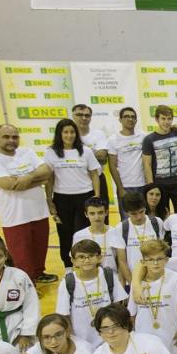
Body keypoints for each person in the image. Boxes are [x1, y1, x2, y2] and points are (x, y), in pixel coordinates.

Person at [0, 124, 55, 284]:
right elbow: (8, 185)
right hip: (15, 216)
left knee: (39, 248)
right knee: (21, 255)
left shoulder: (26, 152)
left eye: (15, 137)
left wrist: (27, 178)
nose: (11, 140)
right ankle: (25, 284)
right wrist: (37, 180)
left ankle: (38, 273)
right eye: (6, 137)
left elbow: (46, 171)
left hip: (38, 211)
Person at [45, 118, 101, 269]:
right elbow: (49, 179)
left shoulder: (85, 151)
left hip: (84, 196)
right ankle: (68, 265)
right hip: (62, 198)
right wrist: (49, 201)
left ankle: (86, 262)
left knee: (83, 232)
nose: (69, 135)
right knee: (65, 233)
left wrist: (96, 196)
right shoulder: (51, 153)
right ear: (60, 134)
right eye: (66, 132)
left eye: (72, 132)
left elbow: (94, 174)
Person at [55, 239, 127, 348]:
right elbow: (64, 315)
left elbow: (117, 305)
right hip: (81, 340)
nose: (87, 260)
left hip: (109, 337)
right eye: (81, 257)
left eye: (91, 256)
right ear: (73, 261)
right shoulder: (67, 283)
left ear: (99, 257)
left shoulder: (109, 276)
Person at [128, 239, 177, 354]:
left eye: (159, 259)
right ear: (143, 262)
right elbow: (132, 312)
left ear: (166, 260)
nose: (155, 263)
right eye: (151, 260)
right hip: (145, 334)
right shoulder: (137, 284)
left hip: (171, 331)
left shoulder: (176, 279)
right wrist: (134, 334)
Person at [110, 192, 165, 289]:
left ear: (145, 207)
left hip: (157, 279)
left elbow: (161, 251)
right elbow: (122, 261)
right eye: (134, 214)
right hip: (132, 280)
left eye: (141, 212)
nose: (139, 217)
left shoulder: (156, 222)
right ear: (126, 212)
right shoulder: (121, 228)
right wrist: (134, 284)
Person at [142, 105, 177, 217]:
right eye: (163, 119)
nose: (166, 122)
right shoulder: (149, 139)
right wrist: (151, 186)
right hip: (159, 184)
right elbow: (147, 164)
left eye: (169, 119)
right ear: (157, 119)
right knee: (162, 215)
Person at [107, 107, 147, 219]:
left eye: (133, 117)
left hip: (143, 185)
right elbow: (112, 166)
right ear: (120, 119)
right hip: (125, 187)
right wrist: (120, 188)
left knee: (144, 219)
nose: (130, 119)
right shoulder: (113, 139)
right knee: (127, 221)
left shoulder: (143, 136)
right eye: (126, 116)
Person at [72, 104, 110, 219]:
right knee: (81, 218)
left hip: (98, 179)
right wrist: (92, 156)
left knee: (102, 217)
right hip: (77, 182)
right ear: (73, 116)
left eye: (87, 115)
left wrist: (78, 158)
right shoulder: (68, 135)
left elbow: (103, 158)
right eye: (79, 114)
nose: (83, 118)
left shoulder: (98, 134)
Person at [72, 198, 116, 272]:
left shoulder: (115, 232)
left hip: (112, 278)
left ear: (106, 212)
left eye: (100, 213)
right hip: (89, 278)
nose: (97, 217)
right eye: (92, 213)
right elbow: (76, 263)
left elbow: (122, 262)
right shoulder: (79, 236)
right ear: (86, 214)